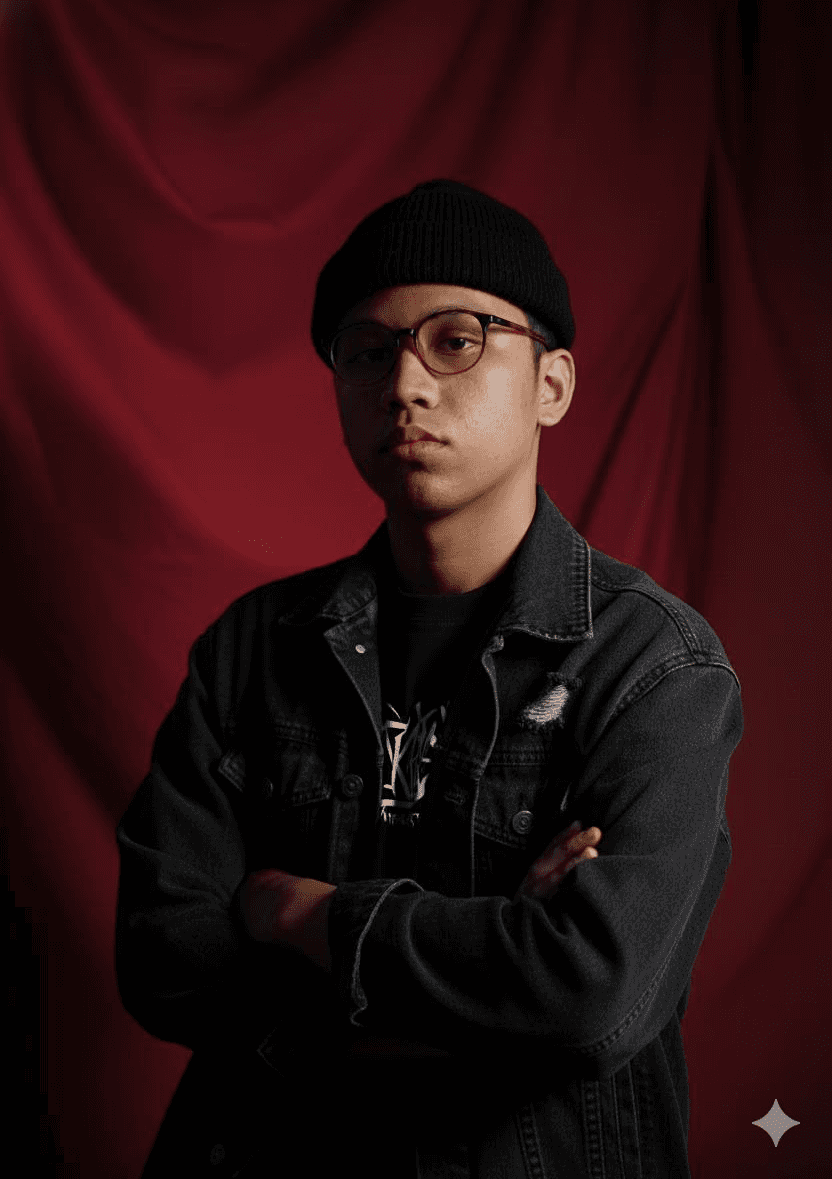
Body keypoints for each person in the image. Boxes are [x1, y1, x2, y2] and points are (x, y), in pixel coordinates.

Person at [115, 179, 743, 1178]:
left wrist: (297, 915)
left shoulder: (651, 666)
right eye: (368, 351)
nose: (404, 384)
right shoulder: (253, 649)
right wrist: (486, 976)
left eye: (456, 341)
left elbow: (587, 997)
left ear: (551, 385)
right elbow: (165, 960)